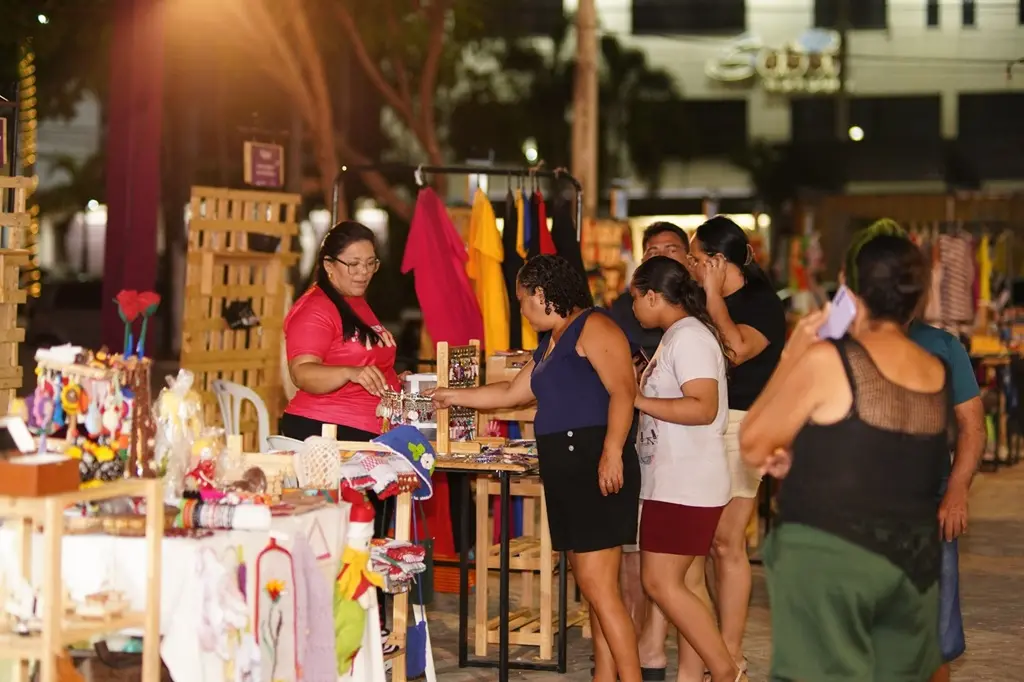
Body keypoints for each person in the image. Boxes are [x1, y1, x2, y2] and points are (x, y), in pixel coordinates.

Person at [741, 228, 950, 682]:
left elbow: (753, 441)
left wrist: (794, 353)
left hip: (832, 558)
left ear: (853, 294)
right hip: (913, 563)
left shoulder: (829, 361)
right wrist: (809, 459)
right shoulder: (935, 370)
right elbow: (888, 456)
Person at [429, 255, 643, 682]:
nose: (523, 311)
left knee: (602, 590)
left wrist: (612, 452)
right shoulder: (551, 341)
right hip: (567, 466)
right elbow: (510, 392)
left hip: (593, 462)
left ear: (542, 295)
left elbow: (624, 391)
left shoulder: (594, 327)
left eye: (524, 301)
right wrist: (450, 395)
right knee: (593, 592)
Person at [281, 220, 401, 652]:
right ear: (328, 265)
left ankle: (371, 625)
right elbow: (304, 372)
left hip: (369, 433)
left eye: (370, 262)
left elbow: (377, 367)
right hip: (326, 433)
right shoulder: (316, 308)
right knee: (351, 535)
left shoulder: (358, 304)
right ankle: (350, 630)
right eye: (352, 263)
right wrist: (349, 372)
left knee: (375, 534)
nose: (362, 271)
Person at [631, 257, 744, 682]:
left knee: (660, 583)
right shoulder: (676, 336)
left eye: (636, 297)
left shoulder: (690, 338)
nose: (634, 307)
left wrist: (637, 400)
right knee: (689, 586)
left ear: (654, 296)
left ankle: (728, 672)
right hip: (677, 478)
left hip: (685, 481)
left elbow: (703, 406)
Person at [689, 216, 786, 673]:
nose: (690, 265)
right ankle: (718, 648)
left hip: (743, 425)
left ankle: (731, 653)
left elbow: (737, 348)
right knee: (708, 543)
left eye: (695, 258)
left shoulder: (762, 303)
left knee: (728, 543)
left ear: (717, 261)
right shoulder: (697, 301)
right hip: (701, 423)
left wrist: (711, 299)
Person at [607, 221, 691, 673]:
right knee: (637, 558)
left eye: (671, 249)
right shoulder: (624, 311)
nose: (661, 255)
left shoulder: (692, 328)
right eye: (652, 249)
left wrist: (637, 394)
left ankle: (665, 652)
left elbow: (703, 405)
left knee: (669, 571)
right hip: (644, 449)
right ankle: (643, 646)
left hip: (680, 461)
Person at [909, 316, 984, 682]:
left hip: (929, 498)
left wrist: (957, 490)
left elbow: (972, 425)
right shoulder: (840, 338)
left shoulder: (942, 345)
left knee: (935, 636)